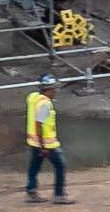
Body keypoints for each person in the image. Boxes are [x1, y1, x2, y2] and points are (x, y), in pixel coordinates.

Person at [23, 73, 69, 203]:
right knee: (61, 165)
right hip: (46, 144)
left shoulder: (32, 97)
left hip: (33, 141)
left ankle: (31, 191)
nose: (55, 92)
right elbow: (39, 123)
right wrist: (43, 147)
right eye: (54, 89)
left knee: (34, 166)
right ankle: (59, 195)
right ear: (48, 90)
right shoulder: (45, 104)